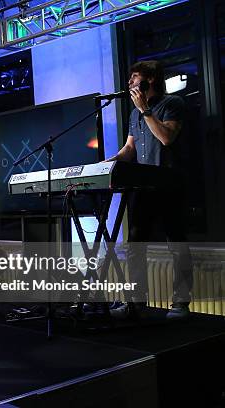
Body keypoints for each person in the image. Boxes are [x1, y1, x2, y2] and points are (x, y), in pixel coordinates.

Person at [107, 60, 193, 320]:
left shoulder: (172, 104)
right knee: (135, 243)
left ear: (151, 80)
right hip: (143, 186)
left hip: (168, 184)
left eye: (134, 77)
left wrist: (145, 109)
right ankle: (136, 301)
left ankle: (181, 303)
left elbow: (166, 137)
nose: (131, 83)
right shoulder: (134, 114)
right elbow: (129, 149)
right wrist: (105, 165)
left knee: (175, 242)